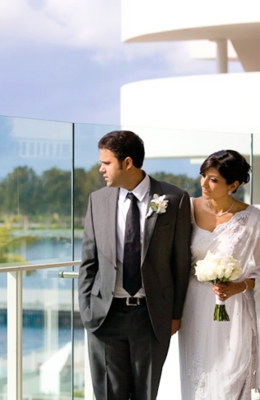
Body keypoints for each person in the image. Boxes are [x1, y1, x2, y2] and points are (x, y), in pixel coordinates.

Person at [78, 130, 192, 400]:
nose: (100, 169)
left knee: (146, 394)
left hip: (150, 318)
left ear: (127, 163)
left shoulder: (174, 199)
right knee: (108, 395)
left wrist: (174, 315)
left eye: (106, 163)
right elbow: (88, 261)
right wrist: (87, 310)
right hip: (104, 317)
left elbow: (181, 263)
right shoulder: (98, 200)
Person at [178, 149, 260, 399]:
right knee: (198, 381)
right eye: (203, 175)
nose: (204, 183)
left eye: (213, 179)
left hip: (234, 311)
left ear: (233, 185)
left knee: (231, 379)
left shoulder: (253, 218)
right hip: (194, 309)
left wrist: (239, 286)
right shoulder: (187, 209)